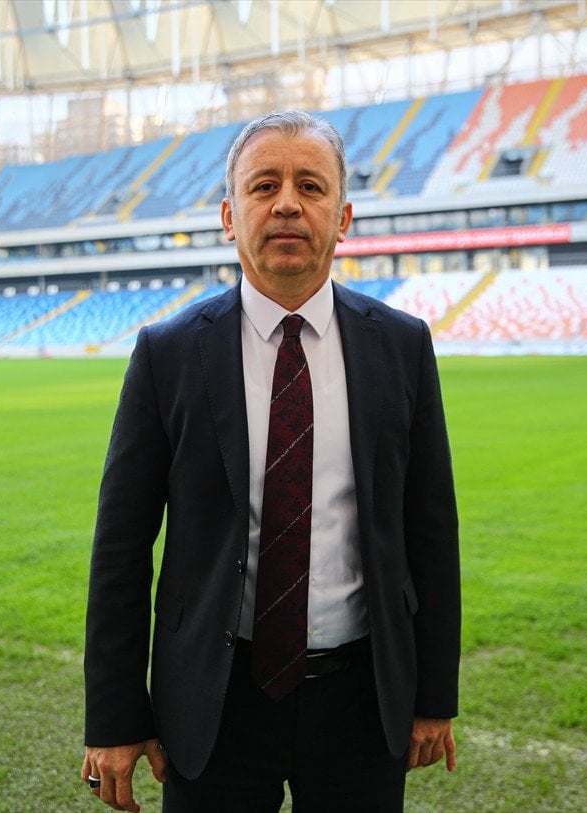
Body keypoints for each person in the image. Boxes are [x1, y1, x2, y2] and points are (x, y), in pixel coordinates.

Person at [81, 110, 461, 812]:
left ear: (343, 218)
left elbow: (430, 531)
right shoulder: (167, 354)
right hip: (213, 699)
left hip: (360, 699)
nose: (287, 203)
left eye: (310, 186)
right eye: (264, 185)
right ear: (230, 216)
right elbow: (121, 547)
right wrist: (115, 717)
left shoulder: (402, 346)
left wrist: (434, 696)